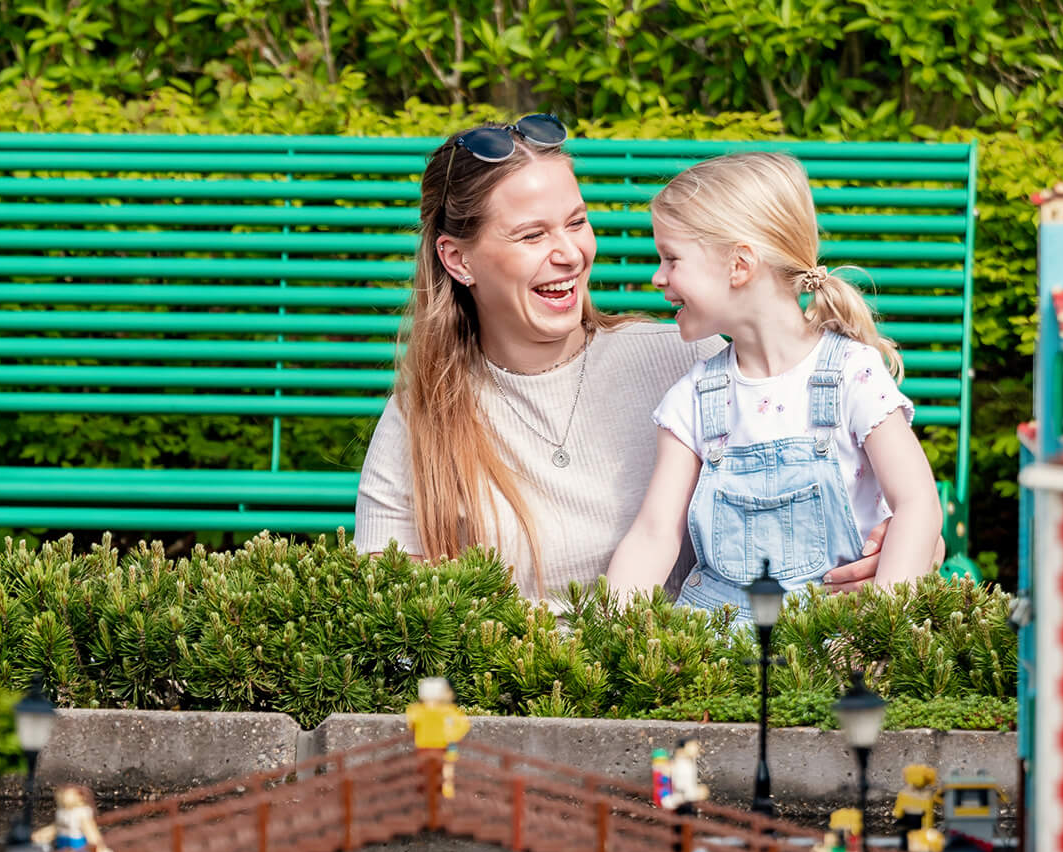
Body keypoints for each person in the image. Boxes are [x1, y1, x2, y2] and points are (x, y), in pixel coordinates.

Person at [356, 117, 918, 602]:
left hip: (697, 686)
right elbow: (389, 621)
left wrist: (895, 550)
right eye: (531, 235)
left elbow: (883, 502)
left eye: (576, 222)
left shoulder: (687, 361)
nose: (570, 254)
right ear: (458, 260)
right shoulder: (421, 420)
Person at [604, 152, 943, 607]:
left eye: (671, 258)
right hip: (719, 647)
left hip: (840, 637)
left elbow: (918, 505)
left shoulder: (851, 374)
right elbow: (653, 535)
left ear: (739, 265)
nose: (657, 276)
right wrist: (609, 637)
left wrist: (874, 636)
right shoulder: (693, 399)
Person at [406, 676, 470, 797]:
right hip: (429, 746)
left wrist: (451, 736)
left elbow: (411, 723)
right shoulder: (446, 710)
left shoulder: (443, 710)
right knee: (429, 772)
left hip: (437, 747)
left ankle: (439, 795)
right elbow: (463, 724)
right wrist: (451, 736)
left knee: (442, 773)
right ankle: (430, 795)